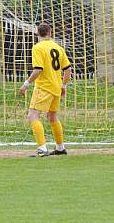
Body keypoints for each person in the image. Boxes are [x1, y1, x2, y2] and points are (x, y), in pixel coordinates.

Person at [19, 23, 72, 157]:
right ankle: (60, 148)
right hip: (56, 87)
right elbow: (68, 69)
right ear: (51, 33)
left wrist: (26, 84)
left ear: (37, 34)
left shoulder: (38, 48)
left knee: (32, 116)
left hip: (44, 87)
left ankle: (42, 149)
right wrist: (63, 85)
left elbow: (38, 69)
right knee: (52, 116)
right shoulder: (58, 48)